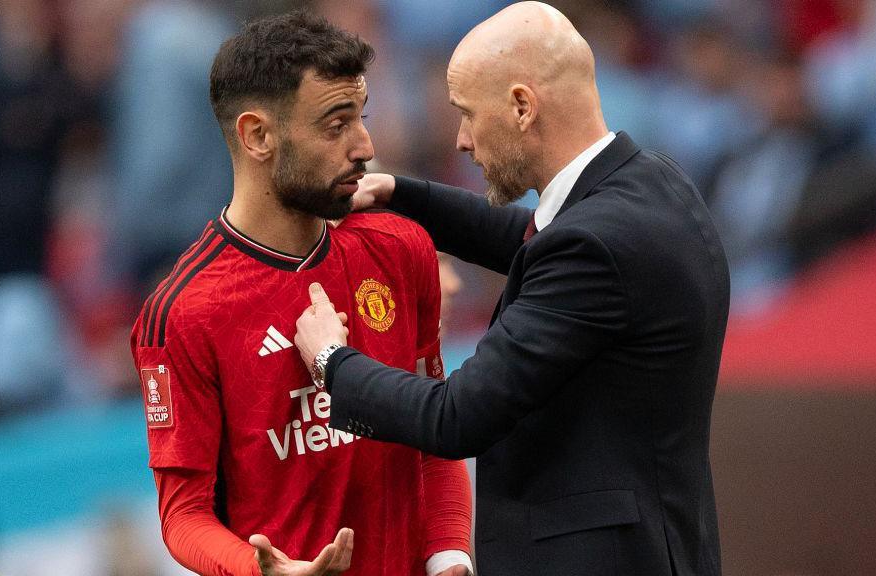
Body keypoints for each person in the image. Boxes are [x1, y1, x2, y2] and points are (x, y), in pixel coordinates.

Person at [294, 2, 730, 575]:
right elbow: (533, 241)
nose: (461, 140)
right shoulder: (652, 183)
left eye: (469, 114)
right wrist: (403, 194)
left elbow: (455, 417)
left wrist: (333, 361)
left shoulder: (590, 249)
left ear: (523, 106)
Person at [129, 11, 472, 576]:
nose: (365, 146)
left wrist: (449, 557)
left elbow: (436, 436)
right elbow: (183, 515)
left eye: (362, 117)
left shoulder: (401, 249)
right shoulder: (184, 312)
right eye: (336, 125)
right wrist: (258, 569)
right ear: (258, 135)